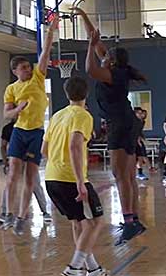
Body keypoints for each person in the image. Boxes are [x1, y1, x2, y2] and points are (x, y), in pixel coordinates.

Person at [75, 7, 147, 245]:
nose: (102, 55)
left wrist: (89, 48)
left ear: (112, 60)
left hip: (120, 123)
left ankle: (129, 223)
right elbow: (96, 42)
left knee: (120, 175)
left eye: (106, 55)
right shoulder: (118, 69)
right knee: (128, 176)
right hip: (128, 121)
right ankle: (133, 220)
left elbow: (90, 69)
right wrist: (84, 17)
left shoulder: (111, 74)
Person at [42, 76, 108, 276]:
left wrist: (57, 162)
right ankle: (74, 267)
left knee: (78, 222)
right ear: (86, 94)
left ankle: (93, 268)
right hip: (70, 178)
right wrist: (80, 181)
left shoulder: (57, 116)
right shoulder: (83, 116)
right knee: (96, 222)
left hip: (51, 177)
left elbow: (44, 150)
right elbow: (74, 145)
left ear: (66, 93)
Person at [0, 15, 57, 235]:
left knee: (31, 178)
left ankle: (23, 216)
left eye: (28, 66)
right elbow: (7, 114)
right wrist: (18, 109)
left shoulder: (38, 79)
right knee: (13, 172)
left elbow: (45, 54)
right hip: (19, 131)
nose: (28, 69)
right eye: (24, 68)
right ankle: (7, 212)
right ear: (15, 71)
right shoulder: (11, 89)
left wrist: (50, 31)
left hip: (36, 133)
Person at [0, 119, 51, 229]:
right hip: (16, 159)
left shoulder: (35, 129)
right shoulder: (9, 128)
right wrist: (5, 161)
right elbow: (3, 146)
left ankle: (45, 212)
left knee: (34, 183)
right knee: (10, 183)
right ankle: (5, 212)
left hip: (30, 157)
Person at [134, 108, 151, 181]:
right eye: (139, 113)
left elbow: (139, 132)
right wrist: (137, 140)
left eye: (142, 113)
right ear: (135, 114)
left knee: (140, 157)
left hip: (138, 141)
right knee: (131, 159)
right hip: (131, 142)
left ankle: (140, 173)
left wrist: (142, 138)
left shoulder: (140, 122)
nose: (141, 115)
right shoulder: (132, 122)